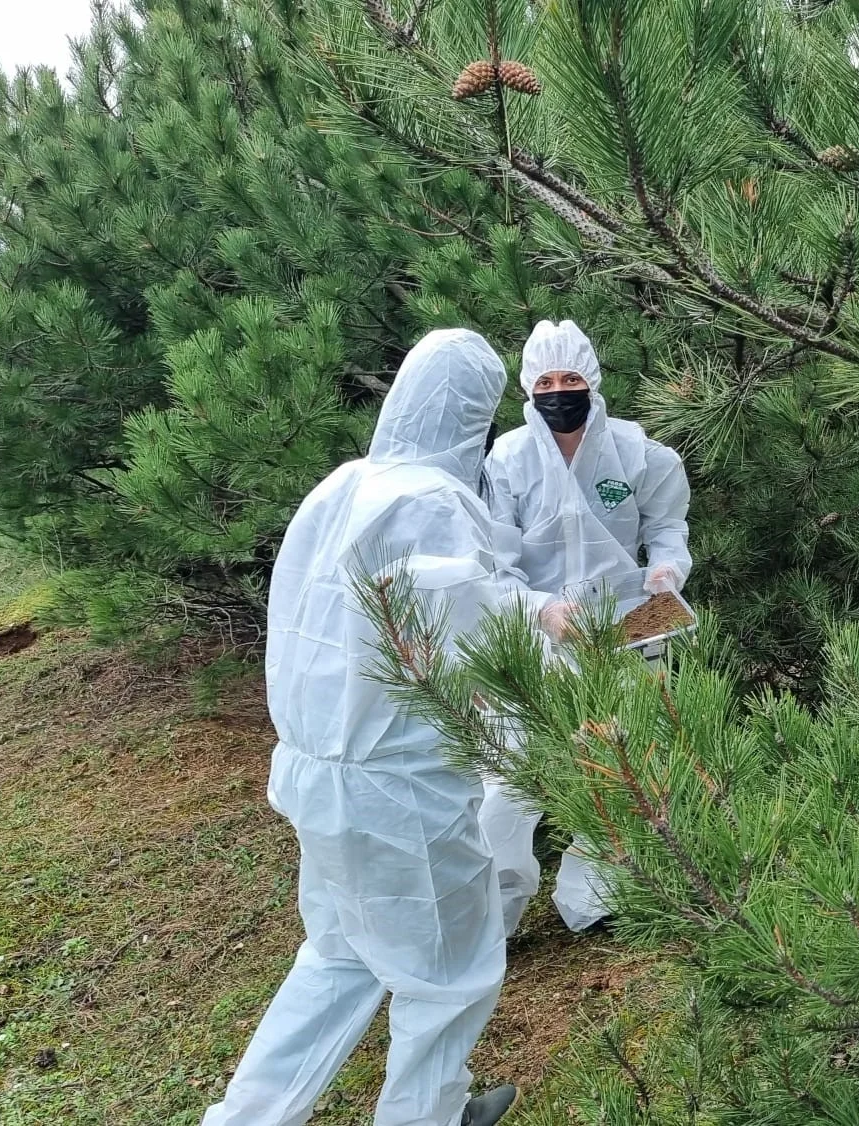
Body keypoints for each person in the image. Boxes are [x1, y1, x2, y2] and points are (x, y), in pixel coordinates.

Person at [203, 329, 566, 1126]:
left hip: (312, 770)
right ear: (476, 414)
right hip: (396, 787)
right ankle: (429, 1117)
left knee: (338, 958)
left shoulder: (339, 487)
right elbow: (461, 620)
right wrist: (549, 621)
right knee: (449, 975)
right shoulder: (431, 503)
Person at [480, 319, 693, 932]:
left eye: (570, 377)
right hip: (538, 633)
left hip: (625, 628)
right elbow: (497, 561)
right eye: (544, 381)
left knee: (617, 756)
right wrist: (539, 610)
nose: (558, 391)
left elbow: (667, 528)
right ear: (527, 388)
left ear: (592, 381)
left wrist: (666, 573)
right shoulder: (509, 460)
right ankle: (493, 916)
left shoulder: (637, 452)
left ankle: (597, 900)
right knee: (509, 769)